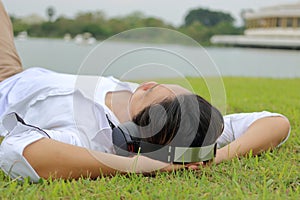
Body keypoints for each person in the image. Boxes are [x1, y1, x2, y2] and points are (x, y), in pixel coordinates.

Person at [0, 1, 290, 182]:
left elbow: (15, 153)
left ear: (132, 135)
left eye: (151, 91)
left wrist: (140, 166)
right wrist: (213, 158)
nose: (147, 83)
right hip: (22, 71)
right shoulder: (185, 131)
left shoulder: (90, 137)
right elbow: (276, 123)